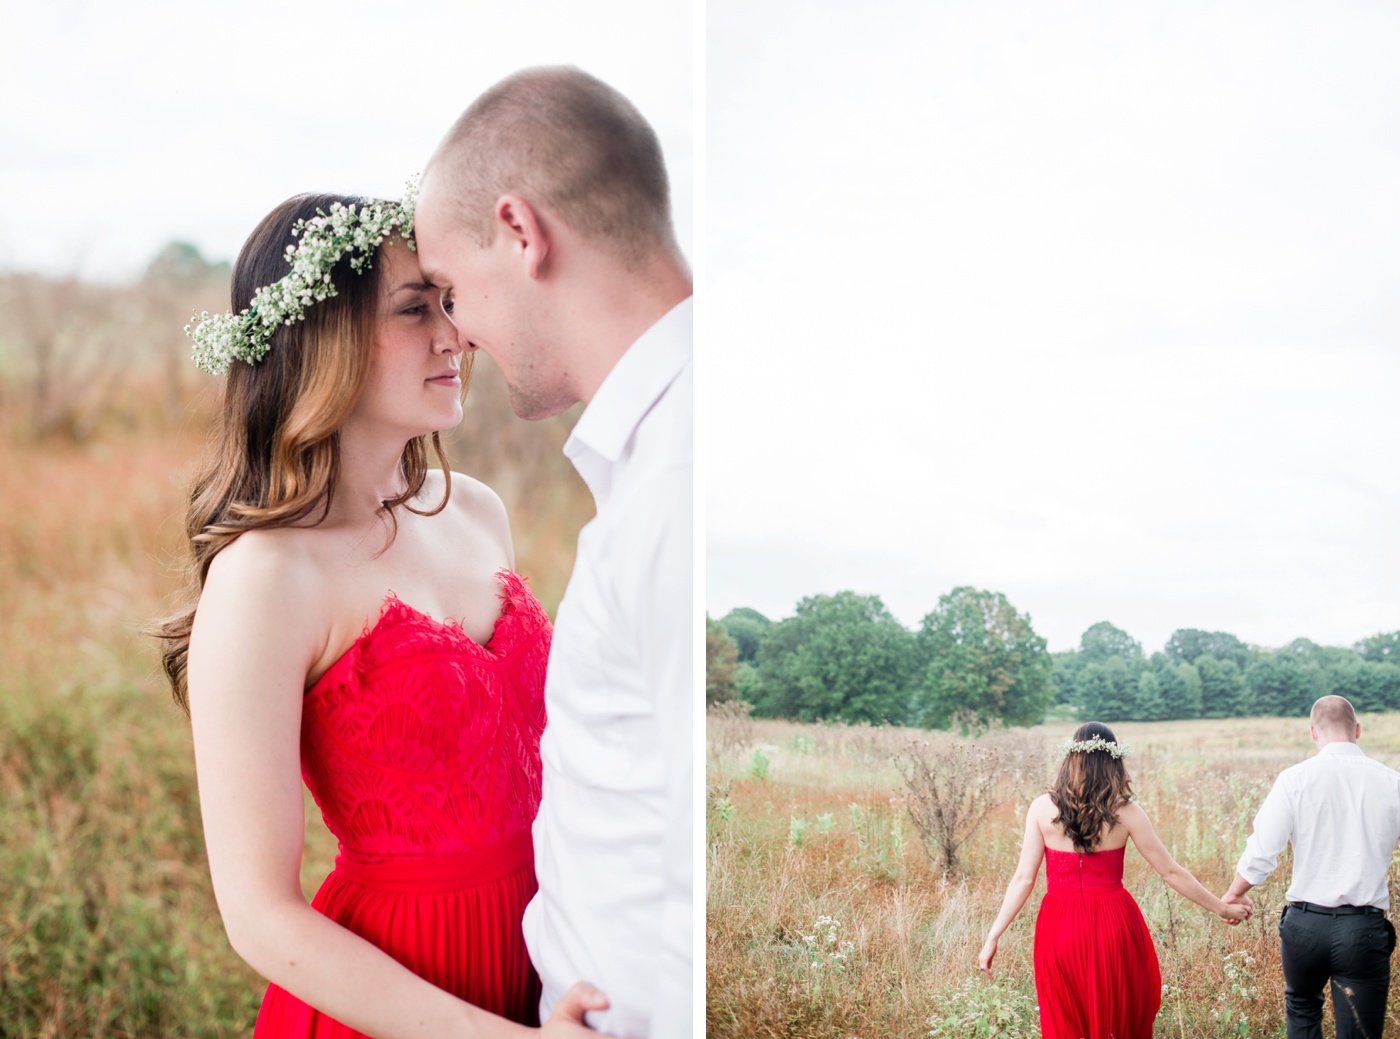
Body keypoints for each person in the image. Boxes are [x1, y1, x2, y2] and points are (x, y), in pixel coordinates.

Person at [151, 190, 604, 1038]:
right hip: (397, 993)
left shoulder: (474, 508)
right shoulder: (267, 576)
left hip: (549, 954)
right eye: (412, 309)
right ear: (321, 338)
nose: (455, 336)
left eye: (450, 302)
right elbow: (259, 914)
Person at [413, 67, 693, 1037]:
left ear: (521, 233)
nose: (461, 337)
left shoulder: (673, 486)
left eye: (450, 290)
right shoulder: (653, 463)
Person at [979, 721, 1250, 1039]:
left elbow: (1024, 879)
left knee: (1066, 1023)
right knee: (1117, 1020)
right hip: (1114, 924)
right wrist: (1223, 908)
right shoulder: (1128, 812)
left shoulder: (1041, 808)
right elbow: (1171, 872)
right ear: (1114, 762)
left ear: (1071, 759)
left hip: (1058, 927)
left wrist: (993, 936)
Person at [1222, 695, 1400, 1039]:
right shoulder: (1392, 782)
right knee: (1360, 1033)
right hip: (1363, 930)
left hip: (1305, 927)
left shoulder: (1294, 779)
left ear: (1313, 732)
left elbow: (1262, 851)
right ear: (1358, 730)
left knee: (1302, 1013)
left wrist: (1233, 894)